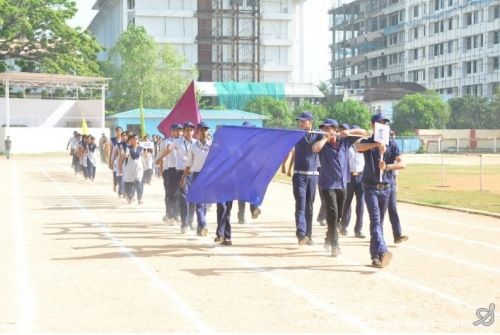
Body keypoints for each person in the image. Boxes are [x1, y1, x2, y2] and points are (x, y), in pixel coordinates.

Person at [355, 114, 405, 268]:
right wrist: (376, 145)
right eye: (379, 123)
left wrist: (387, 167)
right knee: (376, 221)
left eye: (385, 123)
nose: (383, 125)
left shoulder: (393, 144)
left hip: (386, 188)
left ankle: (375, 257)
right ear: (373, 126)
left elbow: (402, 163)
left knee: (378, 224)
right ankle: (383, 251)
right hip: (370, 187)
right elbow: (358, 148)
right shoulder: (368, 142)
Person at [312, 119, 367, 257]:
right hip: (327, 185)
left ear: (335, 130)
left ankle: (328, 238)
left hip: (342, 184)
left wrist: (348, 132)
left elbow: (364, 132)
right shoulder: (323, 144)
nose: (325, 130)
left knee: (339, 215)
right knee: (333, 214)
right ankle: (335, 246)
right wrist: (325, 138)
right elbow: (315, 148)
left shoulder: (344, 141)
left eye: (328, 128)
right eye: (324, 128)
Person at [286, 111, 321, 246]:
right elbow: (288, 149)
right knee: (300, 205)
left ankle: (309, 235)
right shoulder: (296, 135)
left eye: (303, 121)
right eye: (299, 121)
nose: (300, 123)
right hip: (299, 175)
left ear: (310, 122)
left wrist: (328, 136)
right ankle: (301, 234)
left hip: (313, 176)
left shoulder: (318, 135)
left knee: (309, 207)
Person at [156, 122, 197, 233]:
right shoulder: (177, 142)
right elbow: (169, 149)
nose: (189, 132)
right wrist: (160, 158)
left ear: (194, 132)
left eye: (191, 130)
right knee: (183, 197)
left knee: (192, 199)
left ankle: (191, 220)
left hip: (193, 173)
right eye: (187, 130)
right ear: (184, 132)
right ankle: (184, 224)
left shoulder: (196, 143)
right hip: (180, 173)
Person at [180, 122, 211, 236]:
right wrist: (183, 177)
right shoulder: (193, 147)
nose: (204, 132)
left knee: (205, 203)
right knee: (199, 202)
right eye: (202, 130)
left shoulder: (212, 146)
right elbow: (188, 164)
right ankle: (203, 224)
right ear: (198, 132)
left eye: (206, 130)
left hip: (208, 176)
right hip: (196, 175)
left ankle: (200, 227)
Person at [339, 125, 366, 238]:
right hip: (349, 176)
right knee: (347, 203)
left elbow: (364, 131)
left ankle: (358, 229)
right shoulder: (346, 145)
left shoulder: (365, 145)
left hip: (361, 177)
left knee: (360, 204)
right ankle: (343, 226)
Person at [156, 124, 182, 225]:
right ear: (171, 132)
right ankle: (170, 214)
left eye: (180, 130)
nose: (179, 133)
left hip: (181, 170)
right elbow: (161, 157)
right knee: (170, 193)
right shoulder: (166, 142)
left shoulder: (184, 142)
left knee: (179, 193)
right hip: (169, 170)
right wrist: (161, 169)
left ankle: (177, 214)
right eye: (176, 130)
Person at [387, 131, 409, 244]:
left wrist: (395, 184)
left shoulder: (394, 148)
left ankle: (397, 234)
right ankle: (376, 235)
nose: (392, 137)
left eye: (393, 136)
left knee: (393, 208)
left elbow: (398, 169)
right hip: (380, 183)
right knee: (379, 214)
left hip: (391, 182)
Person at [238, 121, 262, 224]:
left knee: (254, 191)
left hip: (252, 171)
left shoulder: (255, 142)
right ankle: (241, 216)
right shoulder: (239, 143)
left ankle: (254, 210)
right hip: (241, 172)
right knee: (242, 194)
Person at [120, 134, 145, 204]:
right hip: (130, 168)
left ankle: (140, 199)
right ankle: (130, 197)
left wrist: (144, 164)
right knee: (130, 184)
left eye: (136, 139)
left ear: (138, 140)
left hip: (139, 169)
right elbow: (125, 155)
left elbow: (141, 157)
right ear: (131, 140)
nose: (135, 140)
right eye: (133, 139)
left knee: (139, 183)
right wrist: (125, 156)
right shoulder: (127, 148)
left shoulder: (140, 148)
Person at [108, 127, 123, 193]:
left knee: (121, 173)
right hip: (115, 159)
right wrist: (110, 162)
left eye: (120, 131)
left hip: (122, 158)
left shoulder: (124, 140)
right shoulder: (112, 140)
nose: (119, 132)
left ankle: (121, 188)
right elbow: (111, 151)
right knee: (115, 173)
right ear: (115, 132)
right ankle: (115, 184)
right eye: (117, 131)